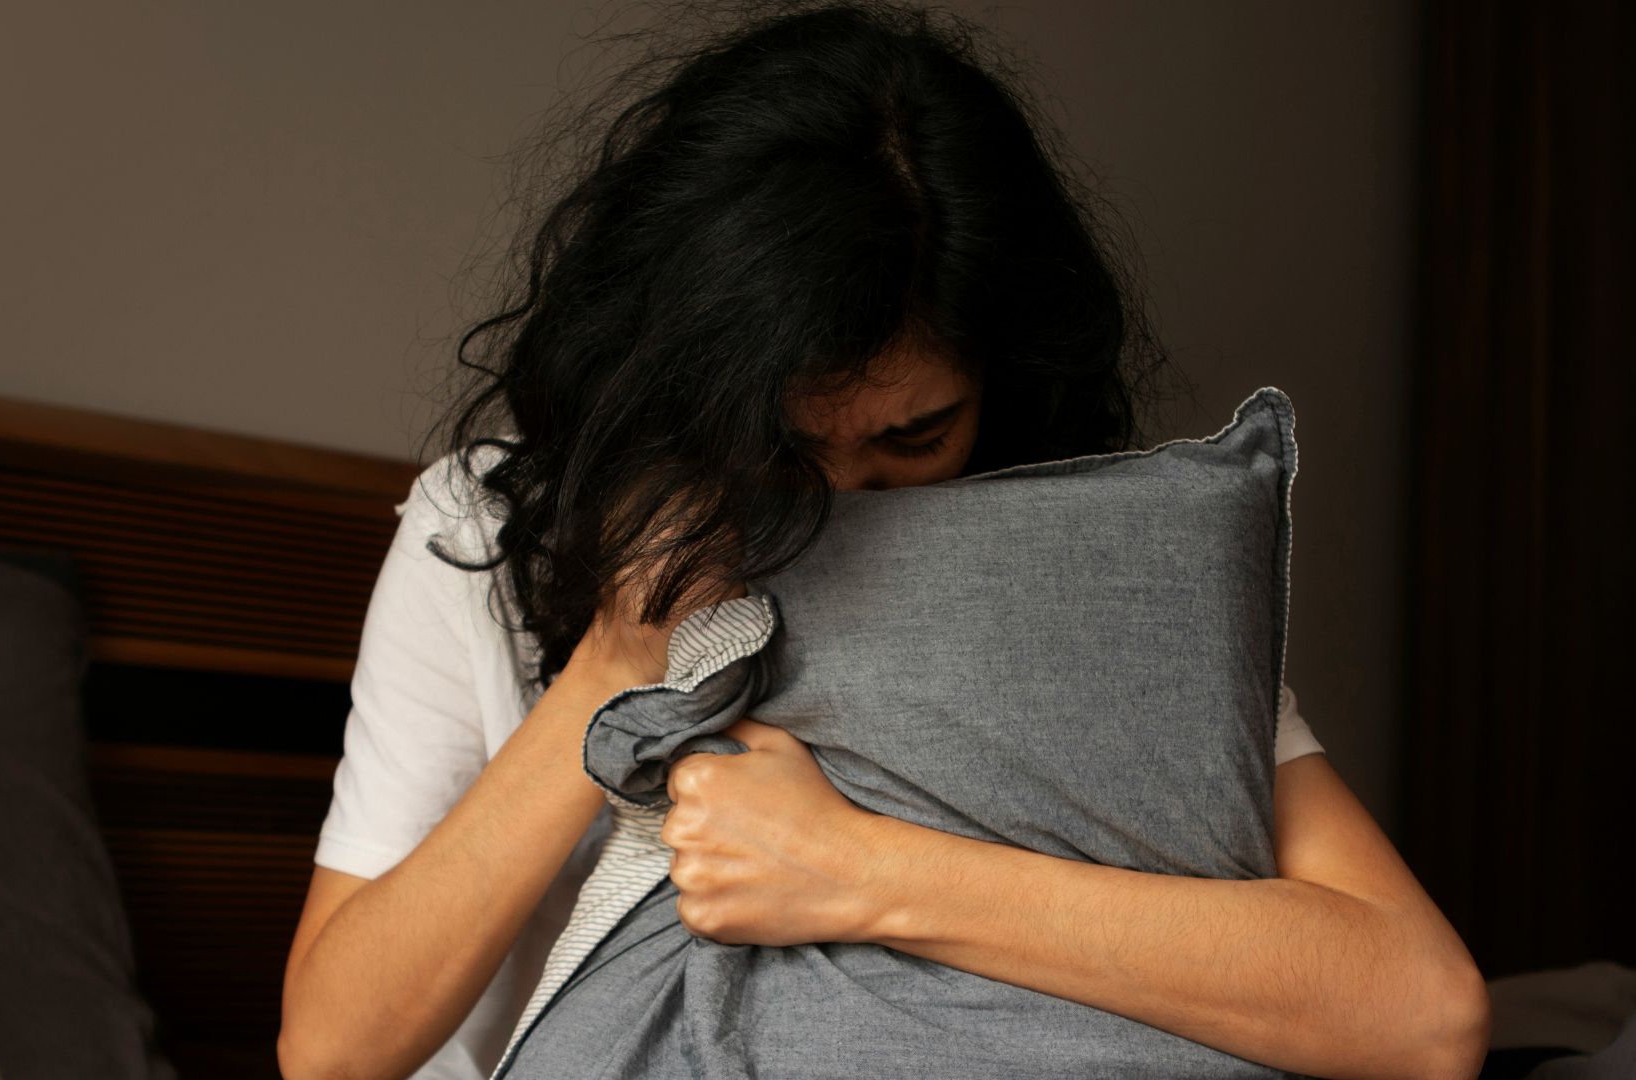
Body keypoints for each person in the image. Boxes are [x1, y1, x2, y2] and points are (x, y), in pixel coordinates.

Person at [277, 4, 1490, 1079]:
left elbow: (1420, 1015)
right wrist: (611, 662)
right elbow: (331, 1050)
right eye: (784, 446)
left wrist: (860, 868)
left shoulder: (1073, 571)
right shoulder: (487, 529)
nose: (846, 497)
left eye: (914, 437)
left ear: (1000, 382)